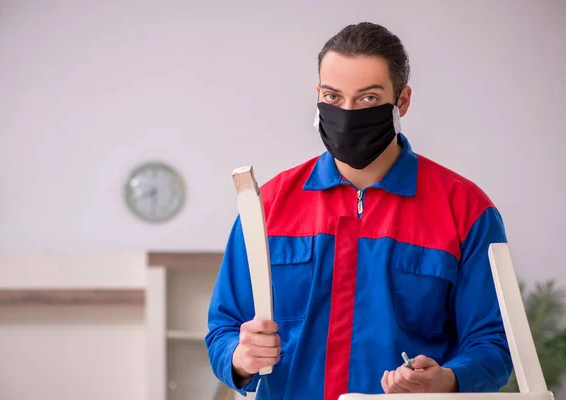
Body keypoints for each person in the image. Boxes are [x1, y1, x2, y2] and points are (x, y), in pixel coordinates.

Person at [205, 22, 513, 400]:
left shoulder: (466, 211)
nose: (347, 113)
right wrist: (240, 357)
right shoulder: (266, 207)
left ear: (402, 101)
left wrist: (447, 380)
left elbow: (494, 343)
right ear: (318, 94)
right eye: (333, 97)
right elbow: (223, 328)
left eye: (368, 98)